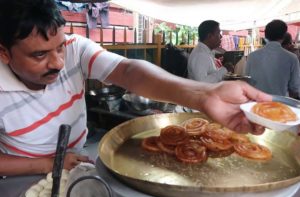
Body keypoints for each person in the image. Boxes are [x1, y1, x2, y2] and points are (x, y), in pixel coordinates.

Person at [0, 0, 271, 177]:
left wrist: (204, 94)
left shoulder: (75, 49)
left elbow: (129, 71)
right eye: (39, 55)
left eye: (59, 47)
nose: (59, 63)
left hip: (77, 160)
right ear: (4, 53)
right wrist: (49, 165)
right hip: (22, 174)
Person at [245, 20, 300, 99]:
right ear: (284, 36)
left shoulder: (252, 56)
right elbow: (295, 88)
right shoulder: (292, 58)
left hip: (256, 104)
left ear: (265, 35)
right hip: (280, 105)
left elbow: (247, 82)